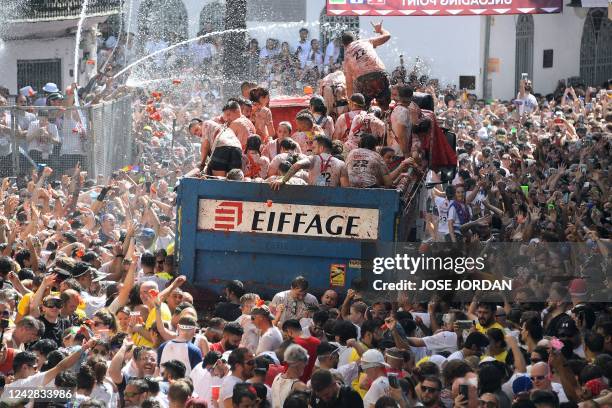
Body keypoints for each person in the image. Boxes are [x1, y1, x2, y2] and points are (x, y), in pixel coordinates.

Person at [342, 22, 391, 110]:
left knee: (362, 108)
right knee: (385, 105)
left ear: (344, 45)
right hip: (380, 75)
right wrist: (380, 30)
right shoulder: (366, 41)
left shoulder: (347, 55)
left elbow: (349, 83)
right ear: (356, 39)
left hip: (365, 81)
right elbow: (387, 36)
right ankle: (386, 115)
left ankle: (365, 116)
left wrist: (351, 102)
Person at [270, 136, 349, 189]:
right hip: (332, 201)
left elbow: (297, 165)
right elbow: (345, 188)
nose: (313, 151)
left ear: (321, 148)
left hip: (313, 199)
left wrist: (283, 180)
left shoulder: (313, 159)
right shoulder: (341, 164)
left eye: (314, 148)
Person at [345, 133, 411, 188]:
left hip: (350, 187)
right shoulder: (376, 156)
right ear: (374, 146)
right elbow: (388, 183)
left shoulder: (351, 153)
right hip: (370, 189)